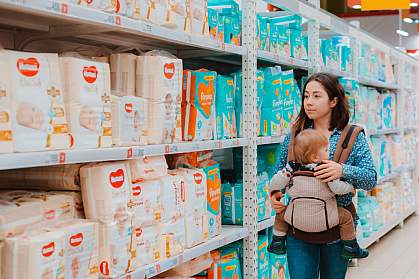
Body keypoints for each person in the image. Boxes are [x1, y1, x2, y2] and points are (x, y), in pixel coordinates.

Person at [270, 73, 377, 279]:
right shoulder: (295, 135)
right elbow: (279, 174)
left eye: (317, 96)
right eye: (306, 96)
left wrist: (342, 170)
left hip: (337, 230)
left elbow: (370, 178)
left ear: (333, 101)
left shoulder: (352, 136)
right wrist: (275, 195)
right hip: (299, 227)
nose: (309, 102)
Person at [267, 129, 368, 259]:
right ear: (315, 157)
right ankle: (350, 247)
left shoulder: (291, 170)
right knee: (346, 217)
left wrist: (284, 175)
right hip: (324, 220)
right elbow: (338, 188)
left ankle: (277, 242)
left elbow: (274, 184)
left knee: (281, 215)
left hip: (296, 220)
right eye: (326, 150)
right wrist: (350, 188)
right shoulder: (324, 171)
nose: (329, 153)